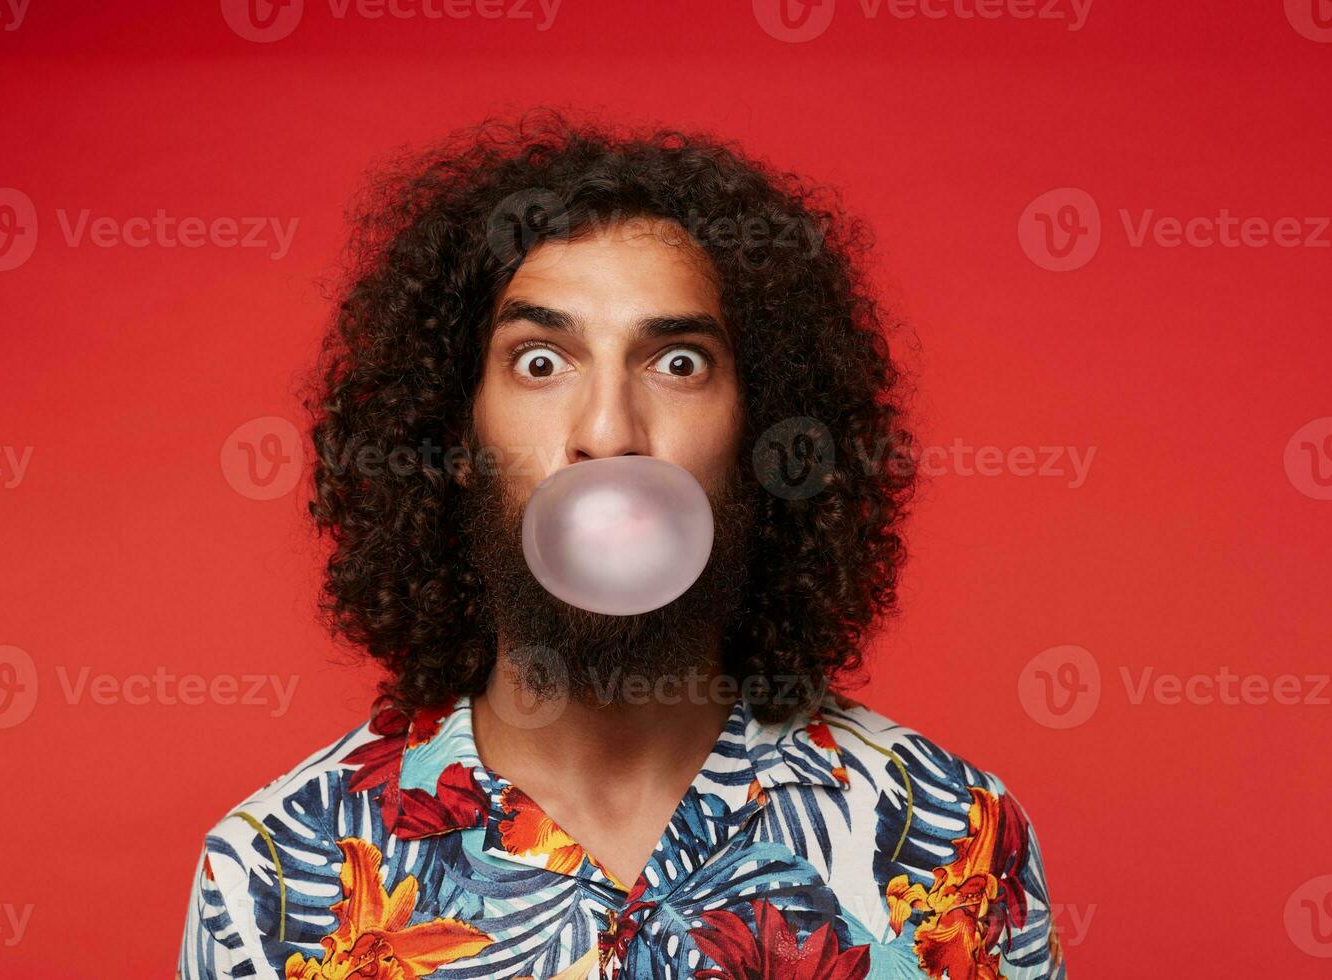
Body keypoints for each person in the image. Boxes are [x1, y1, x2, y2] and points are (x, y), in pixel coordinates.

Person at [177, 110, 1067, 980]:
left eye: (677, 362)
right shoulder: (274, 881)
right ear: (451, 438)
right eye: (540, 360)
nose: (608, 432)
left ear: (764, 438)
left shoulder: (956, 845)